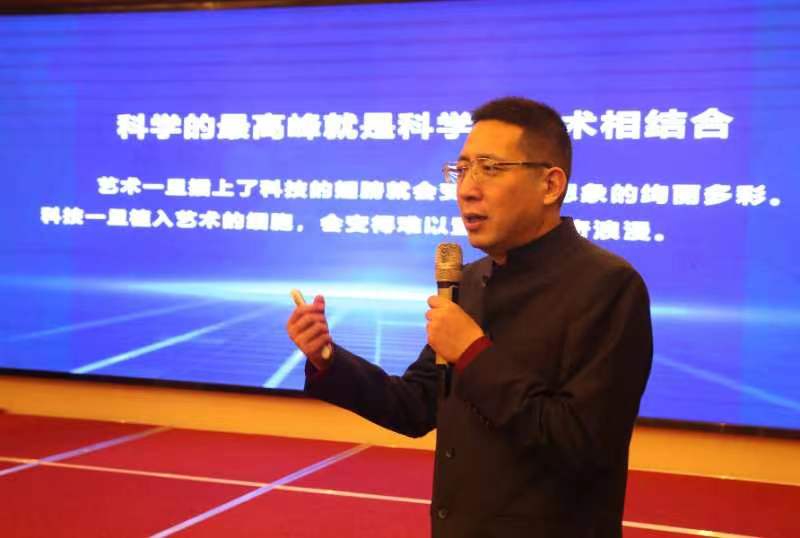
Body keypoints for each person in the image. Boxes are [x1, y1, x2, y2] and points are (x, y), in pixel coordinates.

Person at [286, 96, 653, 538]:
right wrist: (328, 359)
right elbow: (416, 405)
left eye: (490, 168)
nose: (466, 189)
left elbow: (583, 442)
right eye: (461, 170)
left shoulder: (608, 286)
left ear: (550, 185)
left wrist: (474, 353)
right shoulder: (470, 281)